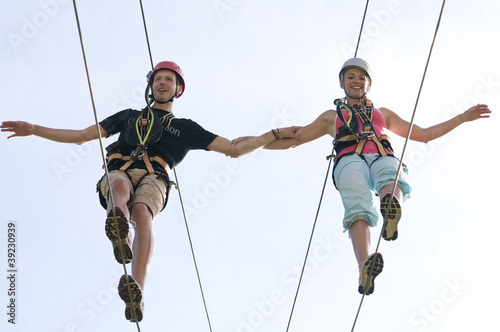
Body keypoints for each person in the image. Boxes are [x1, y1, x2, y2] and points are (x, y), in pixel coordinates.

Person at [0, 61, 302, 322]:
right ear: (150, 85)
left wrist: (270, 135)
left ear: (177, 89)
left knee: (143, 213)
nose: (162, 83)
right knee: (118, 186)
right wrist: (35, 128)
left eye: (169, 79)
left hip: (155, 177)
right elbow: (82, 136)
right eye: (158, 78)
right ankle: (120, 231)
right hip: (119, 169)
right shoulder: (128, 116)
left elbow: (234, 149)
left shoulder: (185, 128)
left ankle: (138, 290)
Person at [232, 57, 491, 295]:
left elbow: (423, 134)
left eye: (361, 77)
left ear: (368, 84)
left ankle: (392, 207)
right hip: (349, 160)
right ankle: (365, 264)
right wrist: (257, 142)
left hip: (380, 155)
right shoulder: (330, 117)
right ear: (342, 83)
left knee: (390, 172)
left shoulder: (384, 114)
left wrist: (461, 118)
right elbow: (293, 141)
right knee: (357, 205)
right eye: (351, 76)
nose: (356, 80)